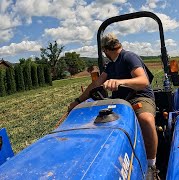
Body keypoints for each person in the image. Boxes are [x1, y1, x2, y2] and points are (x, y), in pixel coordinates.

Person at [68, 33, 160, 180]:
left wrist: (119, 81)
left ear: (105, 50)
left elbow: (143, 81)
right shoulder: (110, 66)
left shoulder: (128, 57)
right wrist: (78, 101)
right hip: (120, 101)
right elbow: (95, 84)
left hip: (139, 96)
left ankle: (151, 165)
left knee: (146, 119)